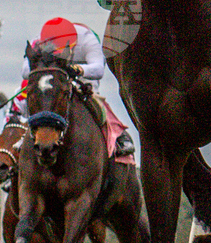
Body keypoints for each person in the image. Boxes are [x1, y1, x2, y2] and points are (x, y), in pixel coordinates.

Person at [12, 17, 135, 158]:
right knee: (43, 96)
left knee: (94, 98)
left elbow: (99, 69)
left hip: (84, 76)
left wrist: (77, 69)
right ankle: (28, 136)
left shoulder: (87, 39)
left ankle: (118, 134)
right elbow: (25, 72)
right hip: (55, 75)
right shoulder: (39, 41)